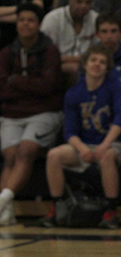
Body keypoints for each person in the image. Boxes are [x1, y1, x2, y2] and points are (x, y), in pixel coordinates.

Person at [0, 2, 64, 226]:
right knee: (10, 156)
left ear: (39, 24)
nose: (25, 24)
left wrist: (16, 81)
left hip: (43, 112)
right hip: (12, 114)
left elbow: (48, 87)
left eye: (30, 20)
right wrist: (31, 84)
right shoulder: (6, 52)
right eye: (21, 20)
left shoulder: (49, 50)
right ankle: (6, 212)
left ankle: (2, 199)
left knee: (26, 150)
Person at [41, 44, 121, 229]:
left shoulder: (115, 86)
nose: (97, 65)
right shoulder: (74, 93)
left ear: (107, 67)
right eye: (93, 60)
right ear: (84, 65)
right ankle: (58, 207)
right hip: (85, 145)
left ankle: (111, 211)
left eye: (102, 62)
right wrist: (82, 148)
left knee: (107, 156)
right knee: (54, 155)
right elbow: (70, 132)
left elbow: (119, 119)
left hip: (113, 143)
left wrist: (105, 144)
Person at [41, 0, 98, 82]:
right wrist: (77, 60)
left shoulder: (96, 20)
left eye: (87, 2)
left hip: (89, 68)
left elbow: (100, 53)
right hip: (55, 67)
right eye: (79, 1)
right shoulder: (53, 19)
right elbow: (45, 55)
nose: (83, 6)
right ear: (70, 0)